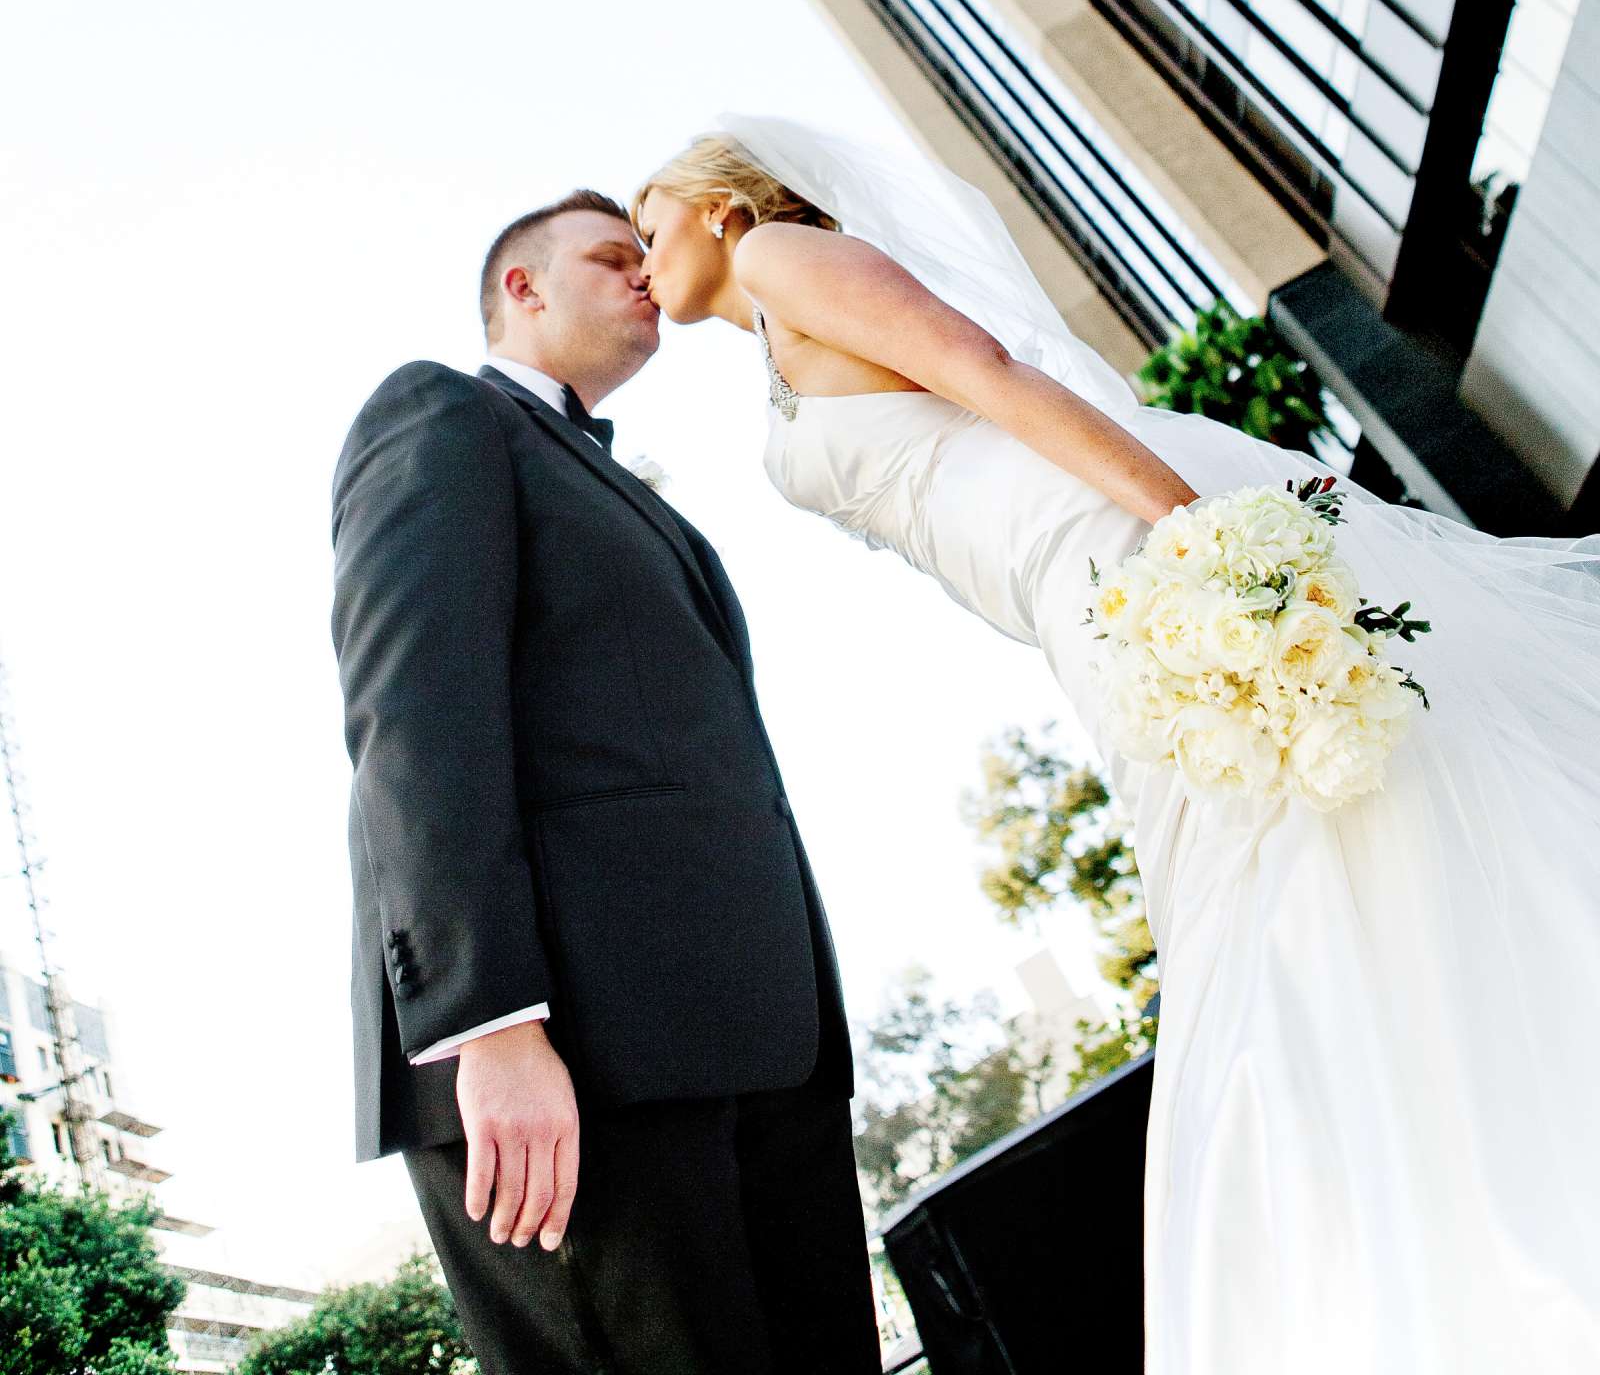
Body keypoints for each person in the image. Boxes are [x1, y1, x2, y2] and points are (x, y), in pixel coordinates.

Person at [632, 116, 1600, 1375]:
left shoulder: (775, 258)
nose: (641, 262)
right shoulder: (768, 334)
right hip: (1070, 603)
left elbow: (984, 369)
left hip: (1117, 559)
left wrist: (1195, 540)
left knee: (1285, 849)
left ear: (717, 206)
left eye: (646, 229)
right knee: (1289, 842)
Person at [329, 188, 880, 1375]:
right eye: (610, 256)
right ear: (520, 289)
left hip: (752, 1039)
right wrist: (491, 1022)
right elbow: (413, 716)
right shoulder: (436, 414)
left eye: (645, 256)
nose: (646, 277)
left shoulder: (613, 480)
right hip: (575, 1055)